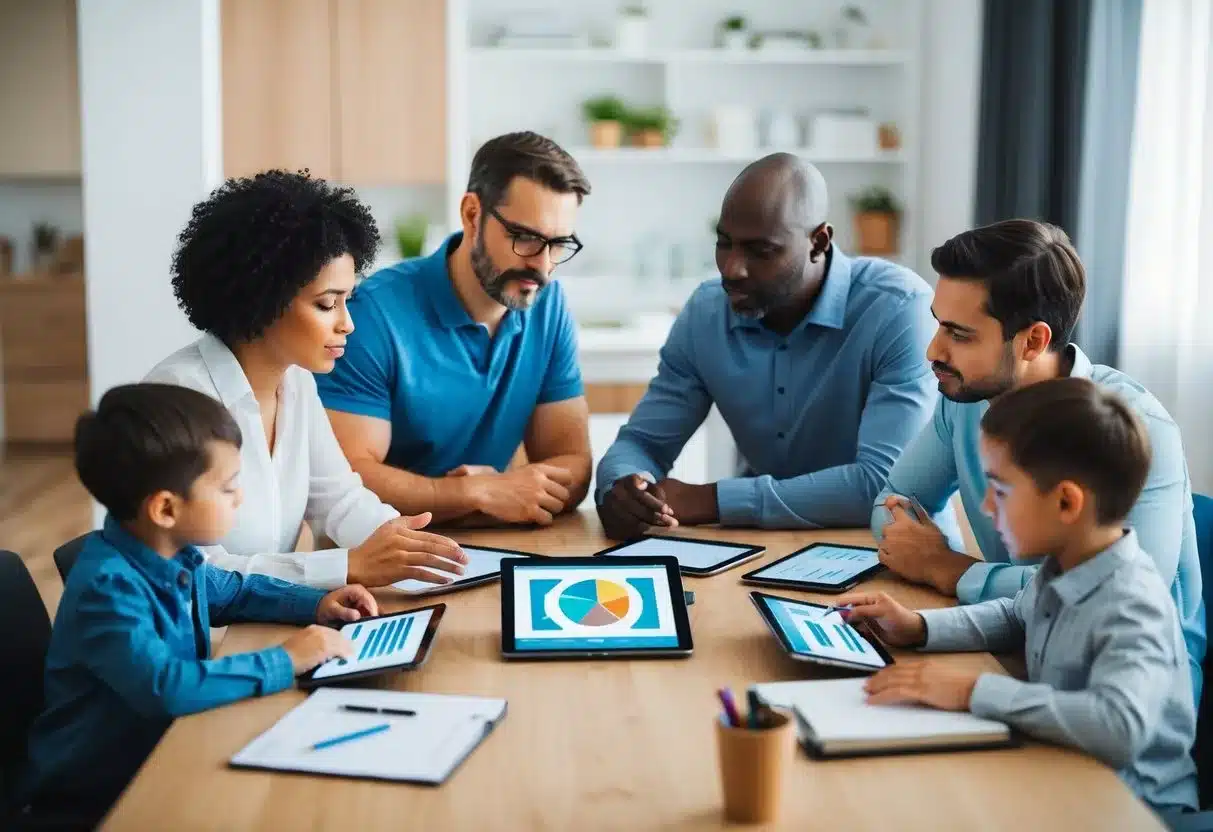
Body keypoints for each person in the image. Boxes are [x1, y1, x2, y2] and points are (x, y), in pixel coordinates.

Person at [869, 219, 1205, 701]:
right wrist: (927, 558)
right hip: (1018, 645)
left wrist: (951, 570)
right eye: (938, 324)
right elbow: (894, 500)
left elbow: (1104, 591)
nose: (932, 351)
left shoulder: (1132, 430)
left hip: (1122, 692)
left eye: (959, 334)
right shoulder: (965, 398)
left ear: (1032, 341)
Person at [15, 384, 371, 826]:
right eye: (228, 487)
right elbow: (167, 687)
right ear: (165, 509)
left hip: (161, 752)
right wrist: (285, 659)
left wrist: (317, 604)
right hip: (96, 798)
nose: (240, 497)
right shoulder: (107, 589)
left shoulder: (175, 552)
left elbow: (234, 592)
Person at [841, 378, 1197, 815]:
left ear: (1066, 503)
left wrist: (972, 690)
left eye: (1002, 490)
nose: (987, 507)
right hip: (1062, 772)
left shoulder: (1132, 603)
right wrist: (918, 626)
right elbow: (1016, 615)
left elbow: (1118, 726)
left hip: (1134, 805)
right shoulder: (1066, 563)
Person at [595, 153, 944, 539]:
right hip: (763, 544)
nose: (732, 268)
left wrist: (711, 500)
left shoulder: (898, 309)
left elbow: (884, 485)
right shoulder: (706, 313)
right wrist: (625, 487)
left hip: (892, 546)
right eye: (724, 243)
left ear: (818, 242)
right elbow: (643, 442)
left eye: (761, 251)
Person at [147, 170, 467, 590]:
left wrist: (410, 546)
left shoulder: (296, 382)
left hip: (269, 616)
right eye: (327, 304)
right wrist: (346, 566)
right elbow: (195, 571)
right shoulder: (177, 398)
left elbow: (339, 499)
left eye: (347, 301)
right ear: (263, 299)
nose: (348, 324)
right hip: (198, 627)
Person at [317, 132, 593, 528]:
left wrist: (503, 490)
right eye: (526, 239)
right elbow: (346, 480)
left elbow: (574, 465)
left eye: (559, 244)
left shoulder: (548, 306)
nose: (543, 266)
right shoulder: (371, 314)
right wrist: (474, 493)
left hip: (498, 543)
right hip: (385, 548)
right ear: (472, 214)